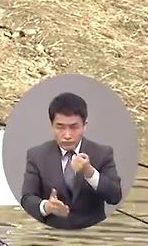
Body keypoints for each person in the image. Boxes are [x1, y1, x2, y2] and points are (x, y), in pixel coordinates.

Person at [19, 92, 123, 230]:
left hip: (93, 234)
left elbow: (115, 196)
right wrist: (46, 207)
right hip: (52, 234)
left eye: (74, 127)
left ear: (84, 125)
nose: (67, 135)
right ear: (52, 125)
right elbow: (27, 198)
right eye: (60, 127)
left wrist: (90, 173)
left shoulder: (103, 153)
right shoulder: (37, 155)